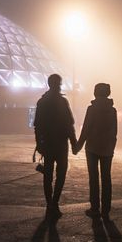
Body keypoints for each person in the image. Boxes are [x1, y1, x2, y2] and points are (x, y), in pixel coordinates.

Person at [33, 73, 77, 218]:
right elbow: (69, 124)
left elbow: (37, 125)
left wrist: (39, 143)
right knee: (61, 173)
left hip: (48, 144)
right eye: (59, 83)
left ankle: (50, 203)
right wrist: (74, 142)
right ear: (57, 84)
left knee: (48, 174)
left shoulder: (42, 102)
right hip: (61, 144)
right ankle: (55, 202)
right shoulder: (63, 102)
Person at [73, 83, 118, 218]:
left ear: (95, 93)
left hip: (92, 148)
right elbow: (114, 131)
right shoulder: (112, 110)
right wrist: (111, 146)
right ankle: (106, 209)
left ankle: (95, 208)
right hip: (107, 148)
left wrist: (78, 146)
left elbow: (86, 128)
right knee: (106, 178)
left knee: (93, 178)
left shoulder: (91, 109)